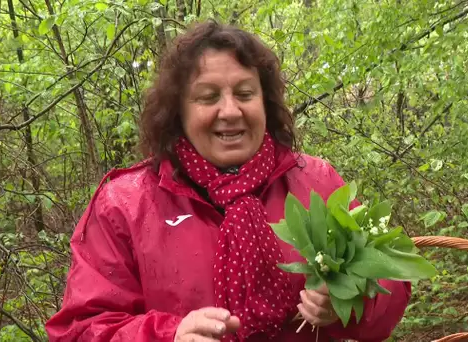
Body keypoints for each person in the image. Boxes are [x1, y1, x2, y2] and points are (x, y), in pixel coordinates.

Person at [45, 20, 411, 342]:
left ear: (264, 103)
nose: (230, 111)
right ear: (178, 112)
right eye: (208, 97)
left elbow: (390, 282)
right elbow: (82, 328)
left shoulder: (315, 182)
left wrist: (346, 303)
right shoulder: (124, 205)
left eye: (244, 93)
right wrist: (169, 335)